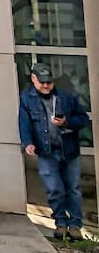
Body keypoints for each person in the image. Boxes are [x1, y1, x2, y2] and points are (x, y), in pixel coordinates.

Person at [18, 64, 91, 240]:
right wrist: (28, 142)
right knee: (54, 189)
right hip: (46, 151)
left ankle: (74, 225)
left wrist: (66, 122)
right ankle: (60, 222)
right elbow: (24, 122)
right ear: (33, 80)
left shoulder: (66, 96)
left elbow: (83, 119)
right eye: (42, 82)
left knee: (73, 188)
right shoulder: (27, 99)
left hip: (69, 150)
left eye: (49, 83)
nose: (46, 86)